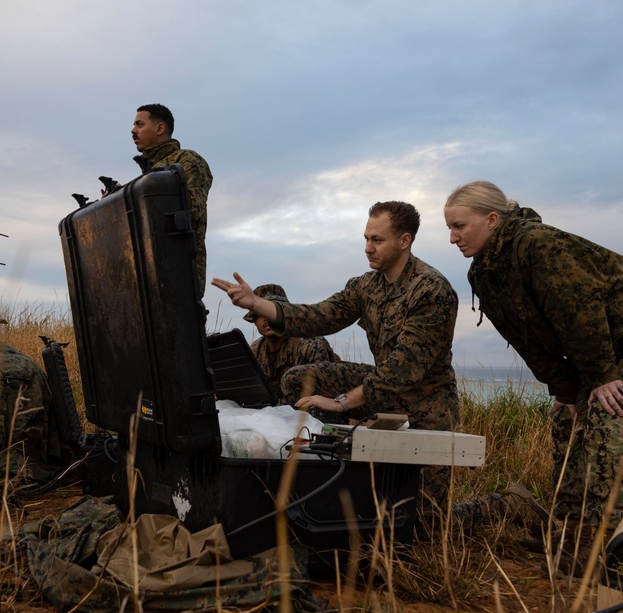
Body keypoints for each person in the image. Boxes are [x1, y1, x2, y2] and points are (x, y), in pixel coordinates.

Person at [444, 180, 623, 573]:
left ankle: (613, 549)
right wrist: (563, 389)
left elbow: (580, 309)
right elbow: (526, 340)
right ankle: (571, 531)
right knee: (566, 416)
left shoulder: (538, 245)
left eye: (460, 226)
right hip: (602, 349)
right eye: (449, 229)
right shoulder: (485, 275)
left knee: (613, 416)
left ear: (492, 220)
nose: (453, 237)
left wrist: (602, 376)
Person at [212, 201, 460, 527]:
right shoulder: (365, 286)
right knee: (299, 379)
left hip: (426, 405)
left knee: (424, 525)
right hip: (381, 393)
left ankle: (509, 504)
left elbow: (402, 371)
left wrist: (340, 403)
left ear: (404, 240)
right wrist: (257, 303)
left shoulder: (431, 290)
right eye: (366, 238)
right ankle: (318, 469)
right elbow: (319, 317)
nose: (367, 248)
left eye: (377, 240)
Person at [131, 103, 213, 292]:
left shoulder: (187, 161)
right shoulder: (146, 174)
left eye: (139, 125)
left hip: (179, 273)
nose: (133, 130)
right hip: (147, 276)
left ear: (160, 128)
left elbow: (192, 212)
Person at [243, 283, 340, 404]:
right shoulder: (254, 351)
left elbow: (322, 395)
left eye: (270, 311)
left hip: (312, 418)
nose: (266, 318)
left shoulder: (310, 344)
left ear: (284, 314)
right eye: (259, 313)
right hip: (272, 418)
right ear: (254, 320)